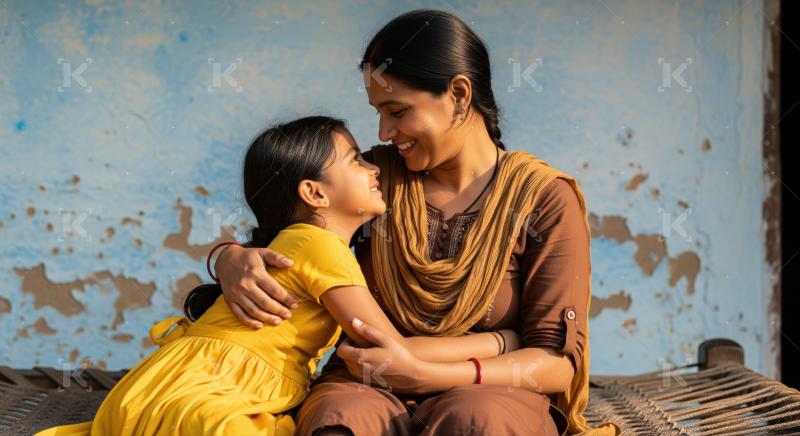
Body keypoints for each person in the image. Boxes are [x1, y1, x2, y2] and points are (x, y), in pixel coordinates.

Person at [214, 9, 620, 436]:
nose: (384, 131)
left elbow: (556, 365)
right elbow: (292, 236)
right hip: (368, 381)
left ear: (459, 95)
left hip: (491, 389)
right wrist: (230, 259)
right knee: (340, 418)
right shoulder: (372, 180)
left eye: (398, 111)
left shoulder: (542, 198)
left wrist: (426, 374)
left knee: (475, 418)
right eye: (378, 113)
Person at [35, 116, 520, 436]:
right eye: (355, 160)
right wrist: (501, 343)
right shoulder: (320, 245)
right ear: (314, 192)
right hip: (211, 396)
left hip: (166, 387)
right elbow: (390, 347)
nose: (374, 167)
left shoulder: (304, 244)